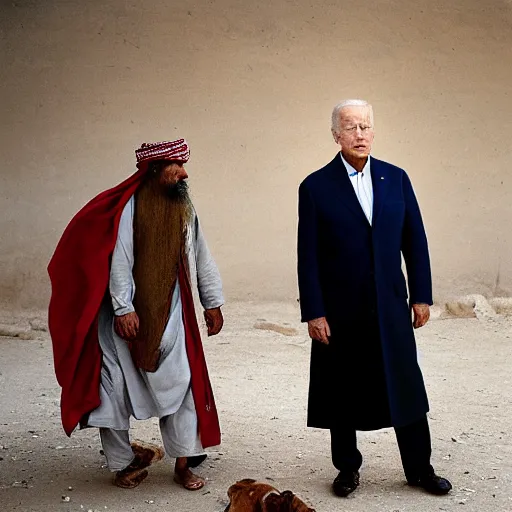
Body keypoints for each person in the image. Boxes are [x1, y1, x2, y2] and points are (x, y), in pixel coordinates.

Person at [48, 139, 224, 490]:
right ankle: (123, 463)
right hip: (122, 323)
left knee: (184, 386)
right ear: (156, 170)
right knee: (111, 389)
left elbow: (201, 255)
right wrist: (123, 308)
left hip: (173, 313)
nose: (184, 173)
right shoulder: (129, 207)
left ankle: (184, 465)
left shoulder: (185, 208)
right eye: (176, 167)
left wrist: (212, 301)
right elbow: (120, 261)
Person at [297, 100, 452, 497]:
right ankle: (347, 469)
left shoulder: (396, 179)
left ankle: (420, 468)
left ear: (374, 131)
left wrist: (421, 296)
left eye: (365, 126)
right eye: (350, 127)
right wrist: (314, 311)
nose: (360, 134)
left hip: (389, 305)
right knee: (342, 390)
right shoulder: (315, 187)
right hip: (340, 309)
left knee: (406, 384)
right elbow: (308, 255)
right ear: (336, 135)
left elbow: (415, 241)